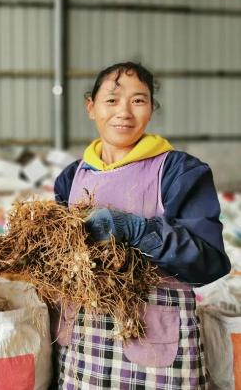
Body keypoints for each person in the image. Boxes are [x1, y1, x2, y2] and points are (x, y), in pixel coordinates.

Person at [52, 62, 230, 388]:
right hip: (82, 347)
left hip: (153, 343)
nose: (124, 112)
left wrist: (137, 230)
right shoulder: (71, 177)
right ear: (90, 107)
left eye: (138, 100)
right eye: (112, 100)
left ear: (151, 109)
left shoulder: (178, 170)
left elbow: (209, 261)